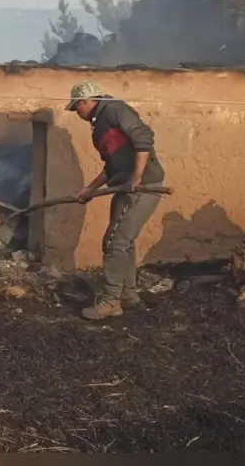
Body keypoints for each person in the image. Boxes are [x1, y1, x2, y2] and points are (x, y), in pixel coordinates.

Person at [68, 80, 166, 320]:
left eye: (76, 107)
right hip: (125, 187)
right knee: (124, 241)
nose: (76, 112)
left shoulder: (114, 109)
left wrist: (136, 177)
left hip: (142, 187)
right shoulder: (100, 124)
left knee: (114, 241)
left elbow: (143, 137)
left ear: (85, 101)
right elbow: (112, 166)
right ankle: (127, 296)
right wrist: (90, 189)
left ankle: (111, 300)